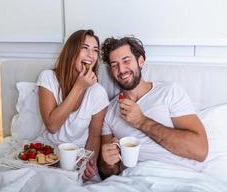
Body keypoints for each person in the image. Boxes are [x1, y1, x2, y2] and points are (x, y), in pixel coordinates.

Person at [98, 36, 208, 179]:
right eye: (114, 65)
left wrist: (141, 121)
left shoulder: (169, 92)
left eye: (126, 61)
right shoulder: (109, 112)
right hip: (133, 180)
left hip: (178, 177)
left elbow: (200, 150)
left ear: (141, 61)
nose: (121, 69)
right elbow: (107, 173)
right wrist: (107, 163)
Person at [37, 29, 109, 182]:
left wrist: (90, 162)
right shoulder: (48, 78)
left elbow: (94, 136)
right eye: (85, 48)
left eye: (95, 50)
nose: (91, 55)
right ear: (71, 51)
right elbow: (52, 125)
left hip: (77, 159)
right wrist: (79, 86)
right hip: (46, 153)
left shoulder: (98, 92)